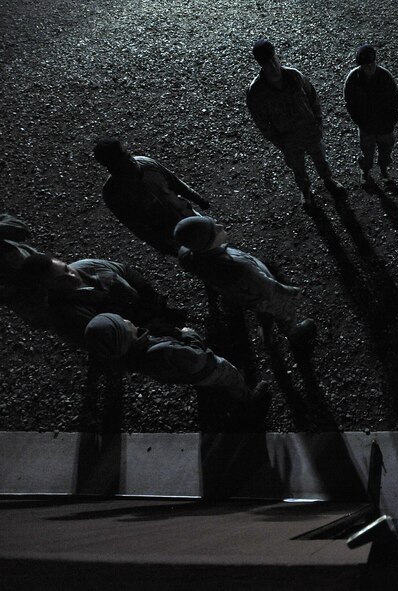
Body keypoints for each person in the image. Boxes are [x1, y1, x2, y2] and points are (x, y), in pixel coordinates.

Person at [173, 216, 317, 352]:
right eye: (216, 230)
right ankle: (293, 333)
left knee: (264, 315)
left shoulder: (188, 255)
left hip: (248, 299)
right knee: (284, 314)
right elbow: (267, 288)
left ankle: (267, 338)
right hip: (266, 296)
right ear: (208, 243)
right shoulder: (239, 267)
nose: (221, 226)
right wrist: (290, 291)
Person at [247, 38, 345, 210]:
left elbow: (313, 98)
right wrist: (280, 143)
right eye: (267, 64)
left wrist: (319, 123)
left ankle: (328, 179)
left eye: (274, 60)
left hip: (310, 130)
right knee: (297, 168)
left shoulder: (294, 76)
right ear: (261, 65)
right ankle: (305, 190)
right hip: (288, 138)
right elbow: (262, 123)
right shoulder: (256, 91)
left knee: (320, 158)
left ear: (277, 57)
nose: (273, 67)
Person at [83, 313, 267, 403]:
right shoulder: (163, 350)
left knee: (211, 381)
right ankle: (248, 398)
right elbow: (198, 358)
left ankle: (221, 387)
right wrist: (191, 335)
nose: (126, 319)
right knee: (229, 375)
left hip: (187, 374)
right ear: (124, 335)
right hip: (208, 368)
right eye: (122, 322)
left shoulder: (131, 358)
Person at [16, 253, 183, 347]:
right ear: (46, 287)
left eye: (66, 268)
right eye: (61, 279)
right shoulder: (66, 316)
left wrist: (150, 296)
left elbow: (125, 271)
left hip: (148, 309)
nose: (72, 276)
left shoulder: (86, 265)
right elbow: (108, 341)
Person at [93, 138, 208, 257]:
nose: (130, 163)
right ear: (111, 169)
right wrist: (160, 245)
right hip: (172, 235)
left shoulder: (148, 164)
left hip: (189, 215)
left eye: (127, 156)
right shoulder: (113, 194)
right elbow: (136, 226)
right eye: (121, 163)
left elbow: (175, 183)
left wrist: (198, 199)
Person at [343, 44, 398, 186]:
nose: (370, 67)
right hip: (366, 126)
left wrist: (390, 123)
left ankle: (384, 170)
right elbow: (350, 104)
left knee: (386, 152)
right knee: (367, 154)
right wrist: (361, 123)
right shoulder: (352, 79)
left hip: (385, 126)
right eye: (365, 65)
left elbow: (395, 101)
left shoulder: (385, 77)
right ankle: (365, 172)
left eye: (372, 63)